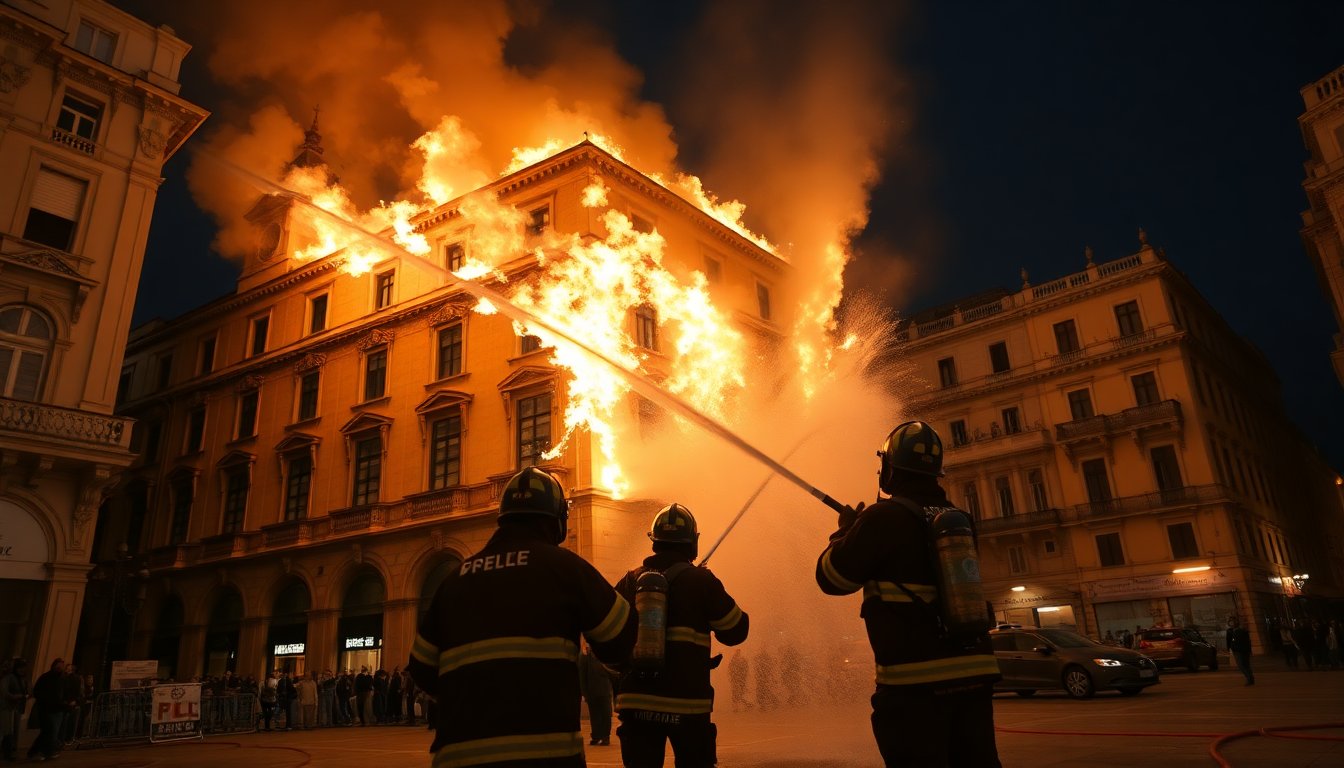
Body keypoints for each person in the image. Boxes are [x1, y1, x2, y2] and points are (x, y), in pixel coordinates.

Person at [409, 467, 636, 767]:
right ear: (558, 521)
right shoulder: (566, 569)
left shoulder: (454, 580)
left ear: (503, 517)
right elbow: (620, 640)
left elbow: (421, 668)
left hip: (458, 758)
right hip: (546, 756)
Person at [816, 421, 1002, 767]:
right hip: (975, 676)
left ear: (889, 469)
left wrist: (843, 533)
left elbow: (831, 579)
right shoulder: (958, 518)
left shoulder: (883, 518)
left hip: (915, 686)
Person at [614, 503, 750, 768]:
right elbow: (736, 630)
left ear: (654, 541)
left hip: (636, 703)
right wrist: (706, 586)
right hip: (688, 704)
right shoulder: (701, 581)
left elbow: (607, 636)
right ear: (693, 543)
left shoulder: (630, 581)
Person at [27, 658, 66, 761]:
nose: (60, 669)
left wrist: (65, 703)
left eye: (61, 667)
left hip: (58, 709)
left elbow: (65, 692)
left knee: (50, 732)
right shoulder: (45, 677)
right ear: (53, 666)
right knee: (49, 730)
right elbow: (38, 692)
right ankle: (42, 751)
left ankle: (43, 751)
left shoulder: (62, 679)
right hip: (46, 709)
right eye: (58, 667)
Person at [578, 643, 613, 746]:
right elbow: (582, 675)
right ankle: (596, 736)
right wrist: (584, 692)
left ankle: (605, 736)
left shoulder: (605, 657)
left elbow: (611, 673)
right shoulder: (585, 657)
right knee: (595, 715)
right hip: (592, 691)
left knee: (605, 714)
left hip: (604, 690)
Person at [0, 658, 28, 762]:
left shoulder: (21, 679)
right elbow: (3, 692)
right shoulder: (8, 677)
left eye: (24, 668)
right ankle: (8, 752)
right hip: (6, 707)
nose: (22, 670)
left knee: (13, 730)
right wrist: (14, 696)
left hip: (16, 707)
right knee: (7, 730)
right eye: (20, 668)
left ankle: (11, 750)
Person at [1227, 616, 1254, 685]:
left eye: (1232, 621)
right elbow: (1229, 641)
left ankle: (1249, 678)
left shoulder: (1239, 631)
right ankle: (1250, 678)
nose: (1231, 623)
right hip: (1240, 650)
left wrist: (1234, 648)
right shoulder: (1231, 631)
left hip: (1240, 651)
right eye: (1230, 621)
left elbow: (1244, 641)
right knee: (1245, 665)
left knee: (1242, 665)